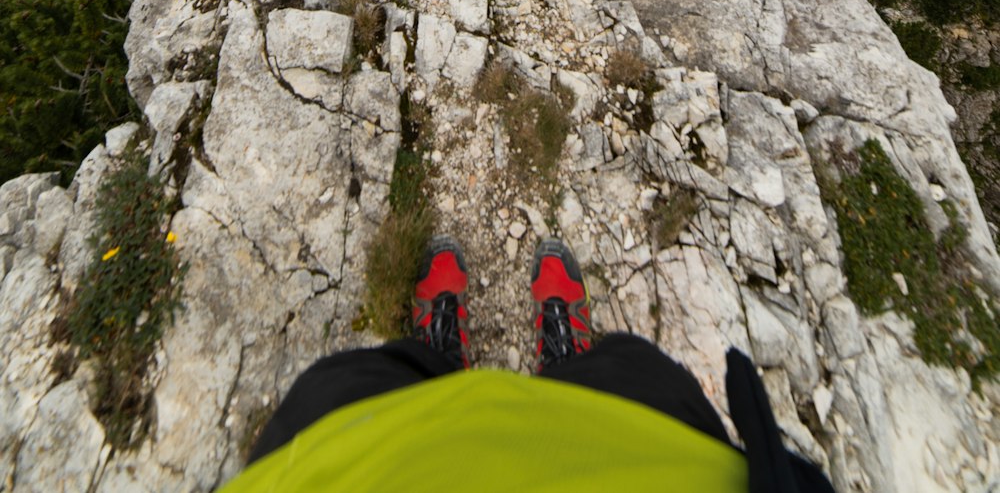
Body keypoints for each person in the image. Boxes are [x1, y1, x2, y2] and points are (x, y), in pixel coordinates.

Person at [225, 235, 836, 492]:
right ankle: (566, 367)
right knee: (636, 368)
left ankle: (434, 363)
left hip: (355, 468)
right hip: (657, 463)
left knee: (345, 385)